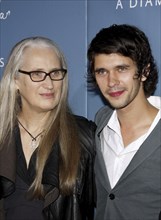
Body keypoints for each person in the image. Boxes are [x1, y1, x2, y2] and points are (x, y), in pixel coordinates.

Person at [0, 36, 96, 220]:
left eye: (55, 73)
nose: (49, 84)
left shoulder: (85, 136)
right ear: (16, 81)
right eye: (37, 74)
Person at [87, 24, 161, 220]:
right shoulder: (100, 124)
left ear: (144, 72)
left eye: (121, 68)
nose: (112, 81)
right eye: (102, 72)